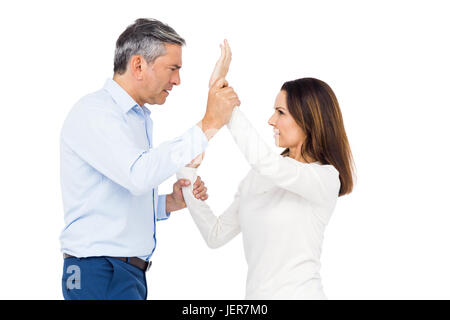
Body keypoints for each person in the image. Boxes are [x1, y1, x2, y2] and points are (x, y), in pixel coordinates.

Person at [59, 18, 240, 300]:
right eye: (173, 68)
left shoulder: (135, 118)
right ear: (139, 65)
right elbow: (138, 176)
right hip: (99, 272)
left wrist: (169, 202)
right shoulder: (95, 113)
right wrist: (208, 124)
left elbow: (112, 197)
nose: (178, 80)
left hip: (124, 274)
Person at [177, 40, 355, 299]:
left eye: (280, 112)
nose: (271, 120)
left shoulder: (325, 178)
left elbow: (267, 164)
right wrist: (187, 175)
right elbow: (215, 235)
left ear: (308, 120)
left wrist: (223, 97)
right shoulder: (259, 177)